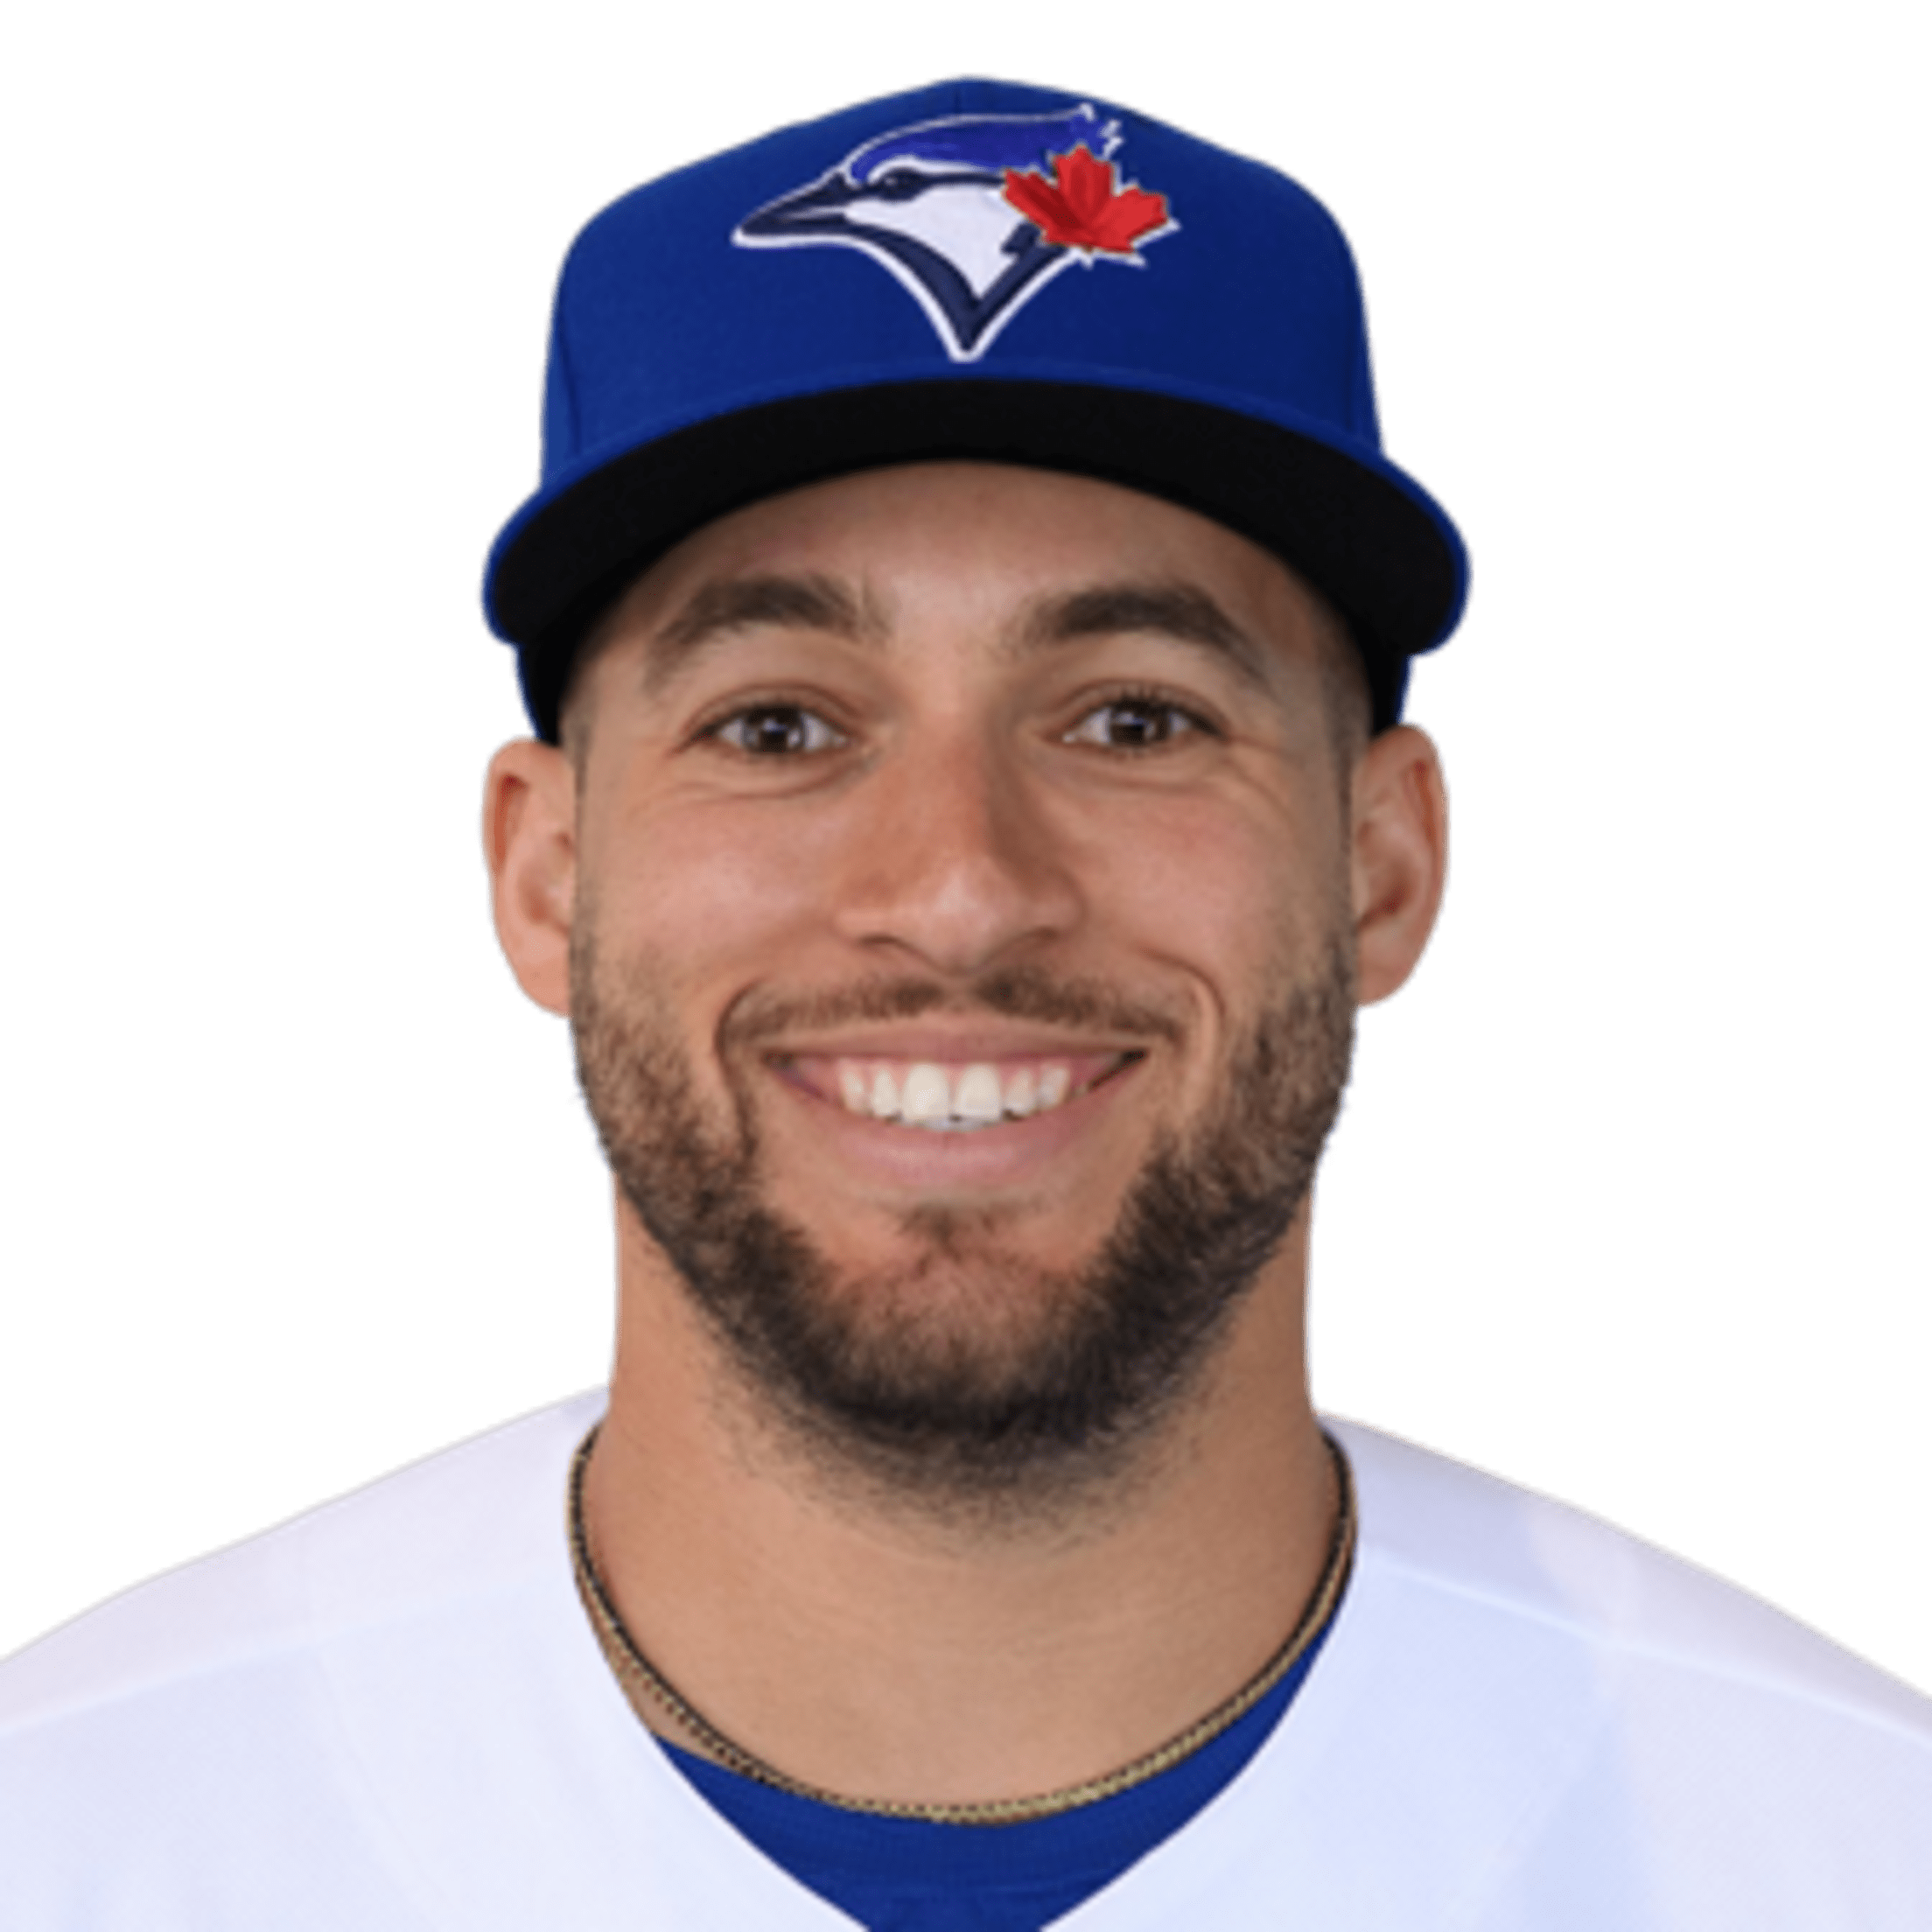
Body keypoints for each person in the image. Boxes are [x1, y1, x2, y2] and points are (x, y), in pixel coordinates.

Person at [2, 73, 1927, 1932]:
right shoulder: (72, 1834)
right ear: (543, 874)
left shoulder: (1851, 1855)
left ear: (1382, 866)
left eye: (1133, 719)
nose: (956, 887)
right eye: (777, 726)